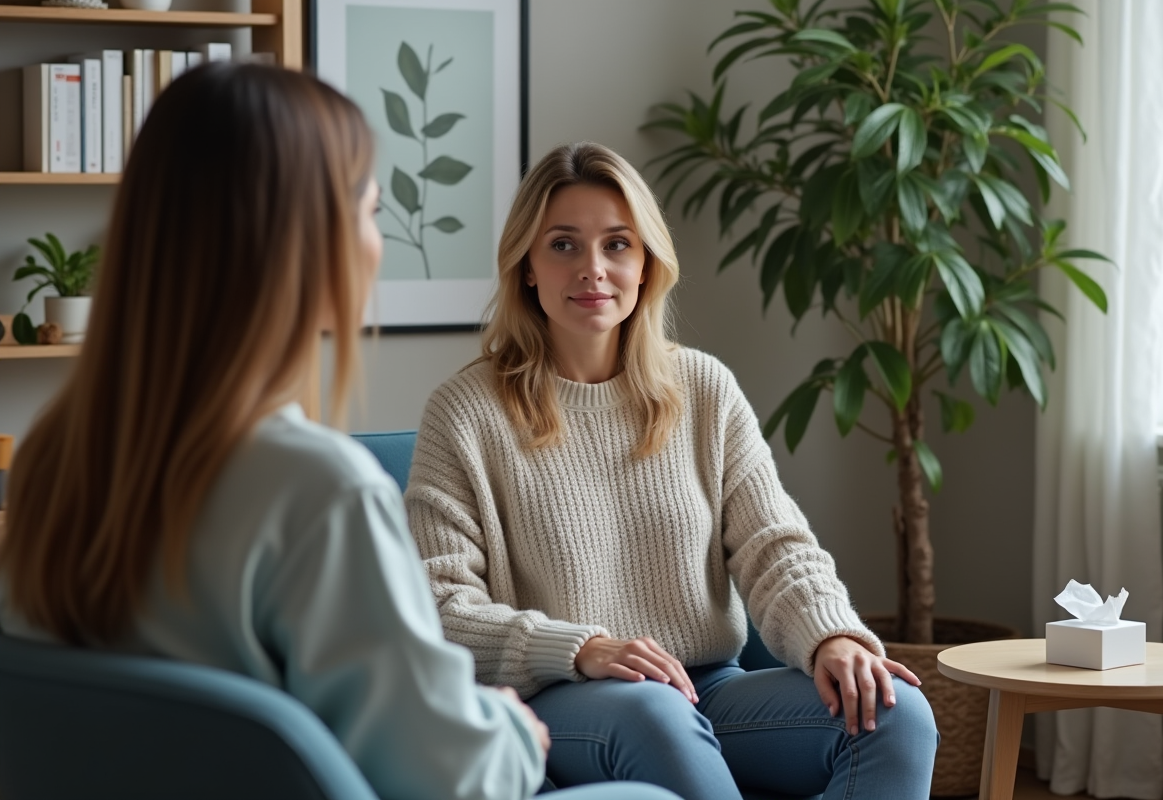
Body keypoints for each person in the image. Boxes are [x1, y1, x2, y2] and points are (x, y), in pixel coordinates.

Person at [0, 67, 676, 800]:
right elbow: (449, 775)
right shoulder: (318, 490)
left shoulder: (51, 457)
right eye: (370, 210)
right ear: (304, 242)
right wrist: (510, 730)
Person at [405, 141, 940, 799]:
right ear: (527, 269)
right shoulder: (464, 412)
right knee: (654, 714)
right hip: (567, 698)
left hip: (707, 687)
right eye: (564, 245)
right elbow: (438, 606)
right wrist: (578, 648)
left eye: (617, 245)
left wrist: (831, 635)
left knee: (894, 714)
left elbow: (775, 547)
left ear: (646, 265)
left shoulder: (704, 388)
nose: (593, 269)